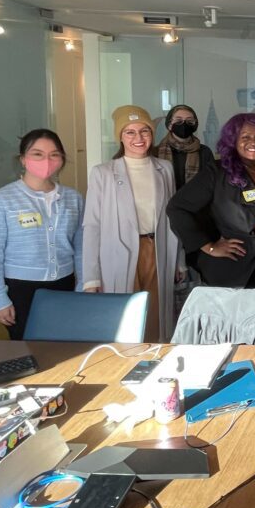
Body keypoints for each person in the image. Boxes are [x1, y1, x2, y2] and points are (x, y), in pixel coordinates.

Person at [167, 113, 255, 290]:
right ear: (233, 141)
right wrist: (208, 246)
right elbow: (177, 208)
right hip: (235, 269)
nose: (253, 142)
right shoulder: (217, 172)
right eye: (245, 136)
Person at [0, 129, 84, 341]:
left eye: (54, 154)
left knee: (65, 347)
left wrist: (83, 283)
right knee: (30, 351)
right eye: (37, 154)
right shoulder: (2, 201)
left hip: (64, 285)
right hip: (21, 290)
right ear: (23, 159)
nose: (46, 160)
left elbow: (81, 246)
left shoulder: (73, 198)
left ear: (61, 159)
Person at [82, 106, 178, 342]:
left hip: (156, 250)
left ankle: (155, 362)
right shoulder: (103, 173)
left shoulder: (164, 168)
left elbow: (172, 219)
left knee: (157, 315)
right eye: (130, 132)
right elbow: (92, 225)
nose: (138, 138)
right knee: (123, 318)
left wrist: (180, 262)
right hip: (119, 251)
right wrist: (91, 277)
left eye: (144, 131)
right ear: (120, 136)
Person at [155, 104, 215, 191]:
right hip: (166, 202)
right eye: (178, 120)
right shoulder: (156, 152)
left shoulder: (204, 152)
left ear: (195, 125)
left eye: (189, 121)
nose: (184, 124)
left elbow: (211, 183)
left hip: (196, 202)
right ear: (169, 125)